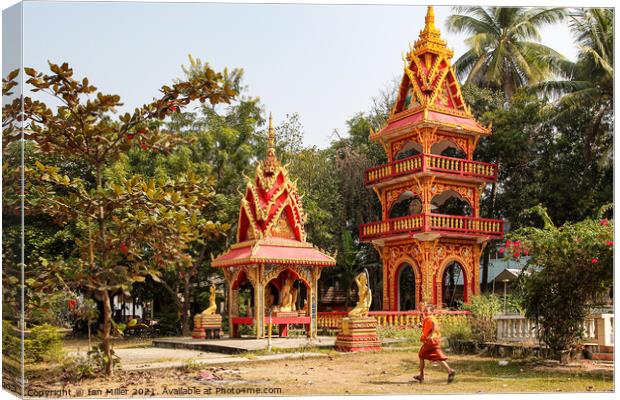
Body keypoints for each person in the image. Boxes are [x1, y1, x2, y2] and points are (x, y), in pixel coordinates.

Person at [413, 303, 456, 384]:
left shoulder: (431, 319)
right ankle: (450, 371)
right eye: (424, 310)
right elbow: (430, 326)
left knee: (421, 355)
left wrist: (430, 335)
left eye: (427, 311)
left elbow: (434, 326)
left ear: (431, 312)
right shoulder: (429, 318)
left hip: (431, 341)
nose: (425, 312)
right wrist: (422, 325)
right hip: (435, 340)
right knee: (437, 358)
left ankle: (421, 376)